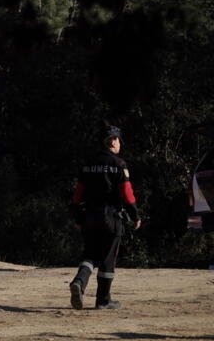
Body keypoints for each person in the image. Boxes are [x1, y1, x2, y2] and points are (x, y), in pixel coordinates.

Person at [68, 125, 141, 310]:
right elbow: (127, 194)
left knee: (90, 254)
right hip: (111, 218)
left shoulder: (87, 165)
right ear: (113, 141)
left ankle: (79, 281)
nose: (119, 144)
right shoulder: (119, 165)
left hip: (89, 217)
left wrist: (77, 218)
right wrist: (135, 216)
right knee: (108, 258)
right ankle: (103, 300)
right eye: (118, 141)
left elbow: (77, 196)